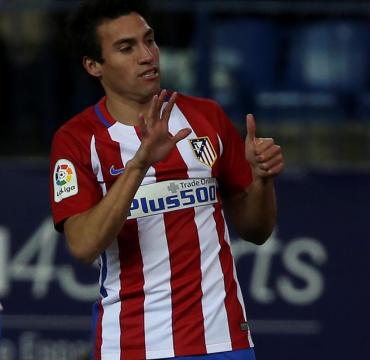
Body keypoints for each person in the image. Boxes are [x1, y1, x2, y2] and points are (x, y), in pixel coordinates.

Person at [49, 1, 284, 359]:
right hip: (130, 345)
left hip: (223, 341)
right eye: (127, 48)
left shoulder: (207, 118)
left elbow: (257, 230)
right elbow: (82, 246)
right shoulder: (78, 139)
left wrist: (262, 179)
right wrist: (140, 165)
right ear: (94, 65)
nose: (147, 56)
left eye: (150, 40)